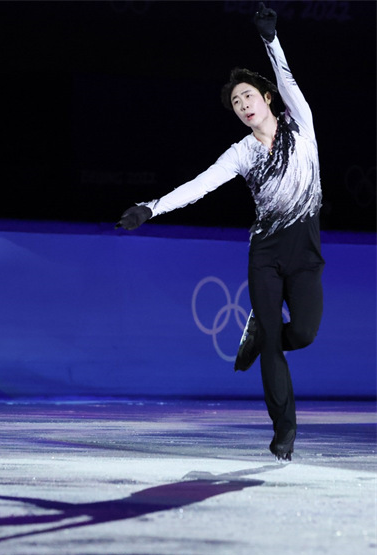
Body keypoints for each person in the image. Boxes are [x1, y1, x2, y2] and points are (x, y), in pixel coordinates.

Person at [116, 3, 325, 461]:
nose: (243, 105)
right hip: (265, 254)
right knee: (275, 345)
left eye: (248, 96)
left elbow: (286, 78)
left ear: (266, 98)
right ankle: (284, 431)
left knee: (304, 333)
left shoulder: (301, 124)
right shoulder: (241, 153)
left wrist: (271, 40)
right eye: (235, 103)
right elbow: (199, 186)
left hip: (305, 252)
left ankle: (260, 335)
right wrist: (151, 209)